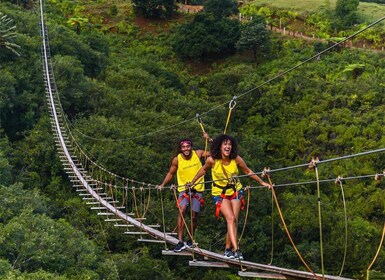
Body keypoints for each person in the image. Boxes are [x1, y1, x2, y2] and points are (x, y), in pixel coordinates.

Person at [188, 134, 271, 260]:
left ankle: (228, 249)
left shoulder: (236, 159)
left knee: (233, 221)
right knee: (231, 219)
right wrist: (193, 182)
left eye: (229, 144)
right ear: (220, 147)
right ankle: (236, 250)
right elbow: (203, 170)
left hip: (235, 191)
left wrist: (262, 182)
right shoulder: (212, 160)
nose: (228, 147)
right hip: (220, 193)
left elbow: (248, 171)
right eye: (225, 144)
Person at [157, 133, 210, 252]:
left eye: (188, 146)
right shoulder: (177, 159)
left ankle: (190, 239)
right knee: (182, 210)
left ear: (191, 147)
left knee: (194, 216)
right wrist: (162, 184)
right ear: (181, 149)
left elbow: (214, 154)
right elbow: (171, 173)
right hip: (183, 190)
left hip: (198, 189)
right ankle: (180, 241)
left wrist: (209, 140)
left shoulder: (198, 154)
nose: (186, 149)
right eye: (183, 147)